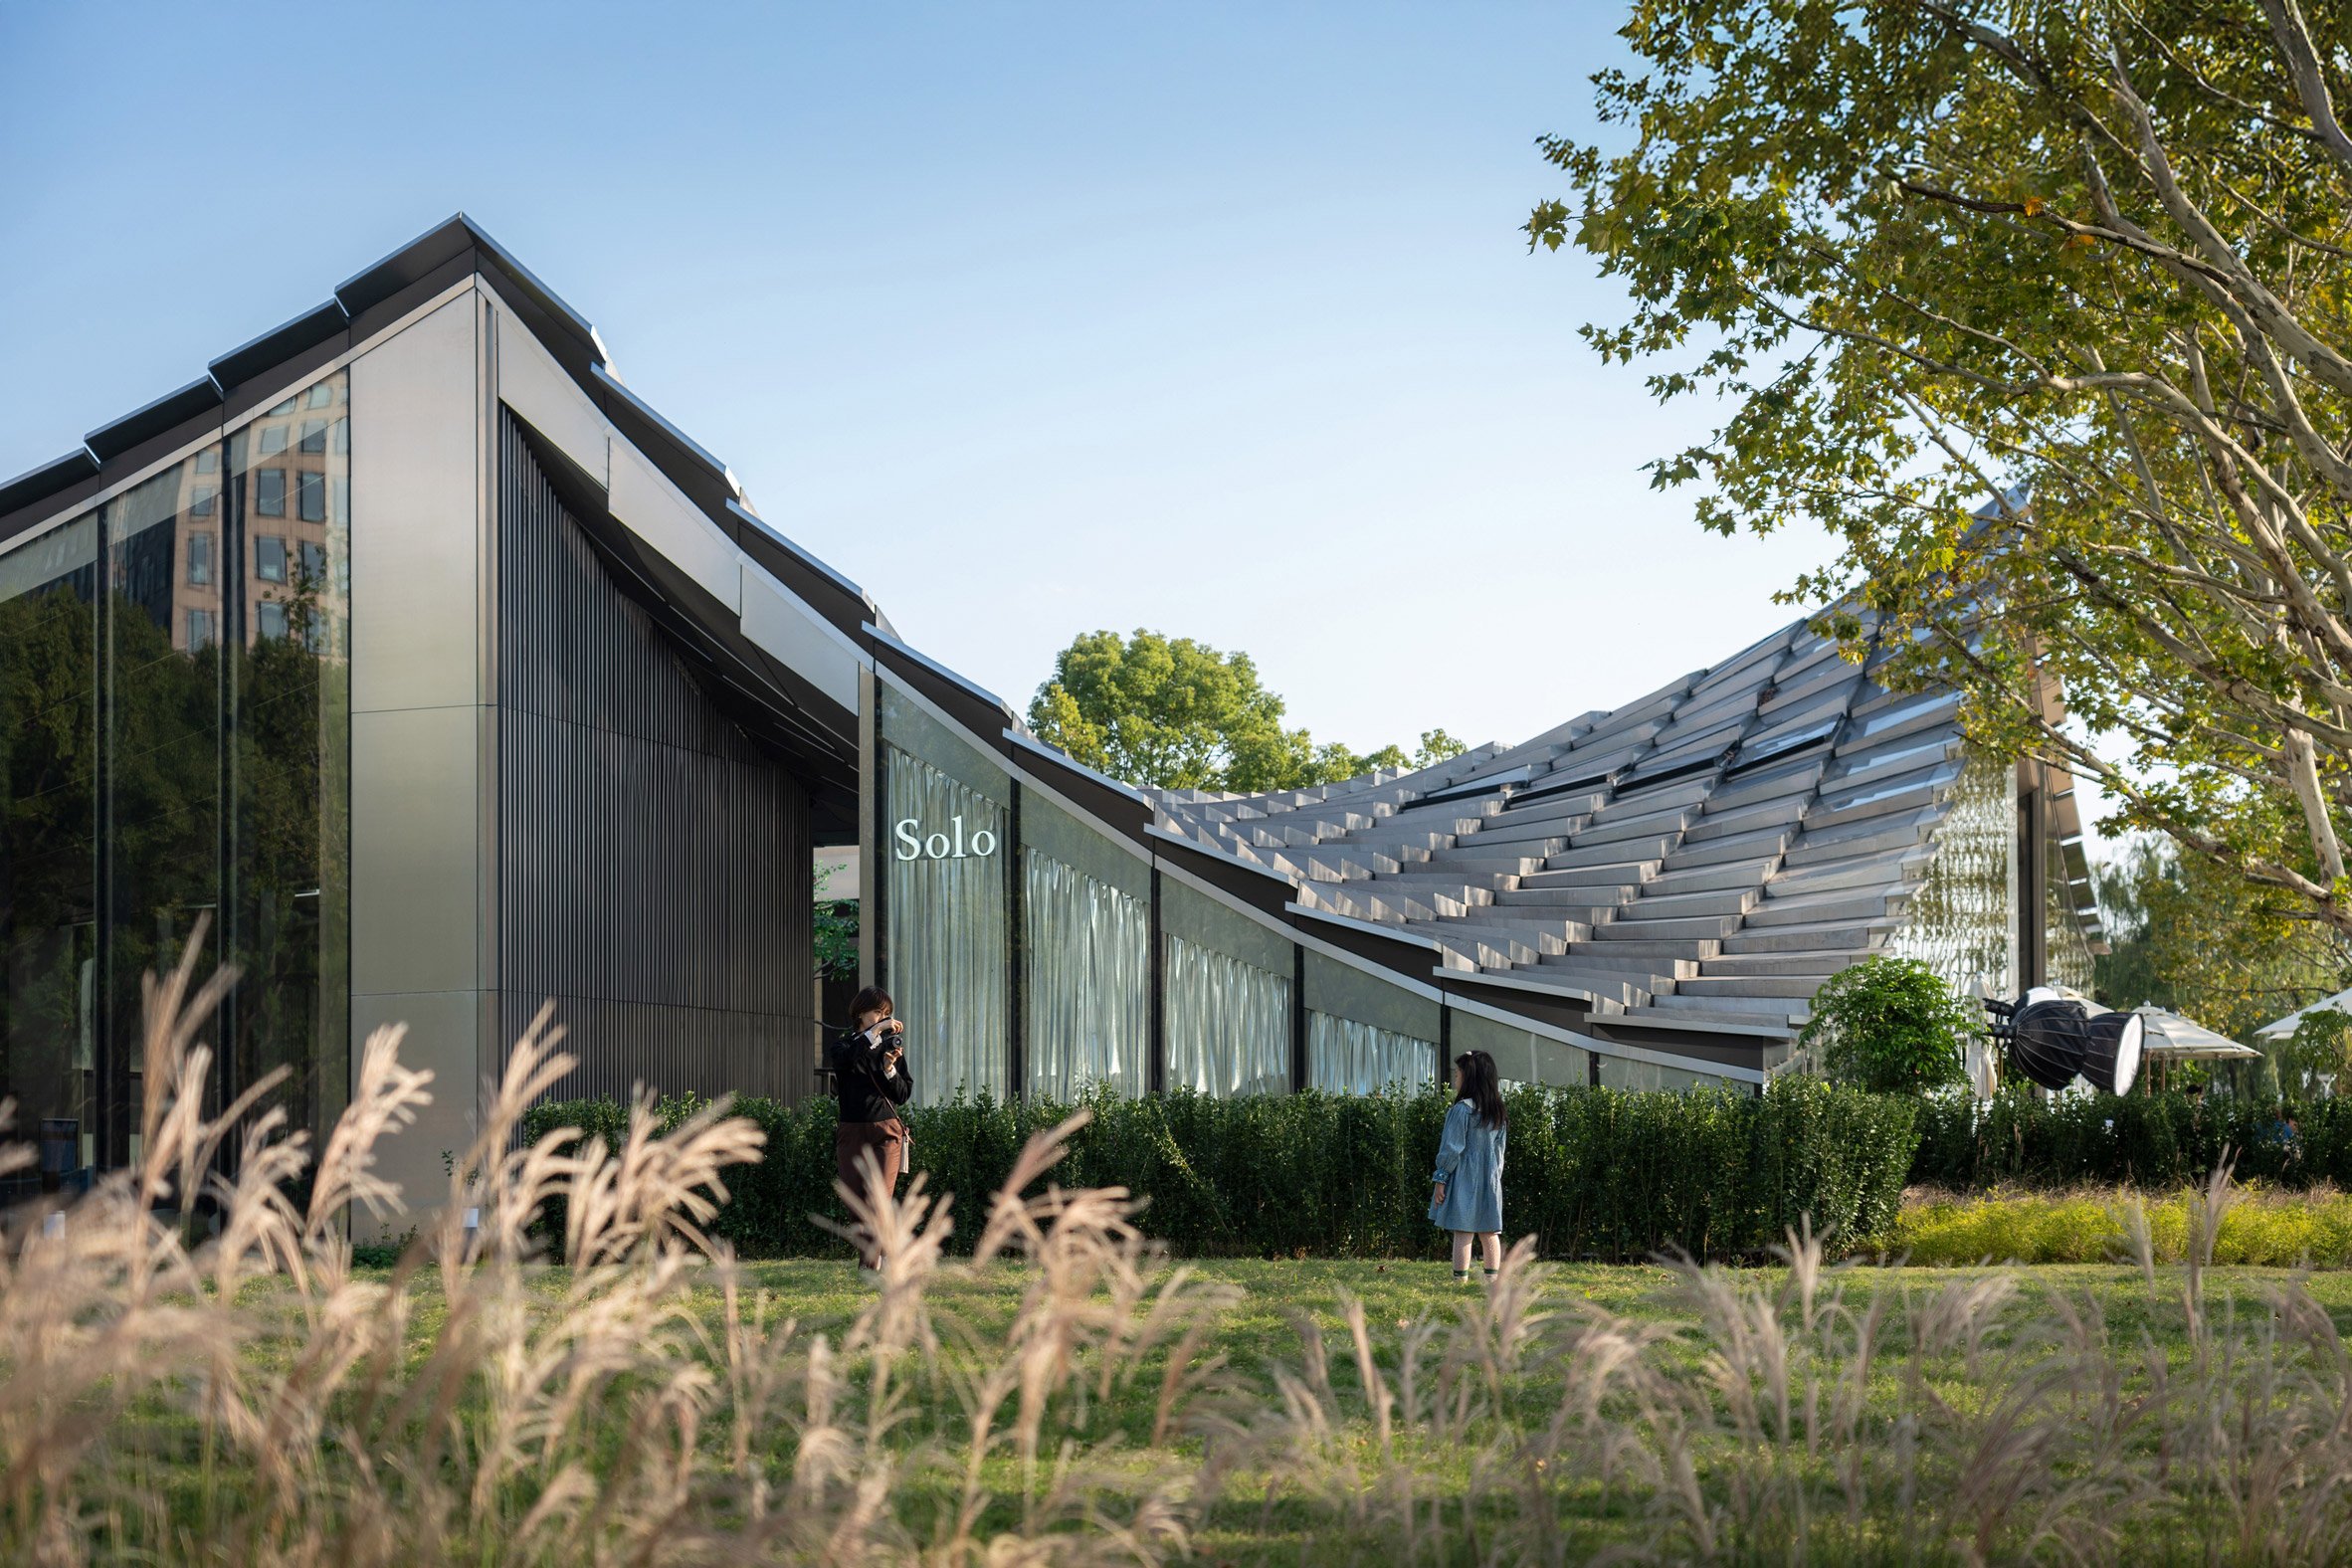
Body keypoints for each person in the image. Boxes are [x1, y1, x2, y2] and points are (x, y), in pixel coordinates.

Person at [827, 986, 913, 1274]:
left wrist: (889, 1069)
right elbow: (848, 1060)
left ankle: (870, 1264)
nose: (883, 1018)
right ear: (860, 1013)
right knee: (855, 1202)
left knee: (878, 1199)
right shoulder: (843, 1046)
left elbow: (902, 1094)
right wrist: (874, 1033)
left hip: (885, 1132)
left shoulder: (890, 1047)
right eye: (878, 1012)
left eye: (887, 1013)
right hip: (851, 1132)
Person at [1429, 1050, 1507, 1283]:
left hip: (1464, 1179)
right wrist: (1494, 1179)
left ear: (1470, 1078)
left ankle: (1459, 1281)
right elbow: (1499, 1153)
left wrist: (1440, 1179)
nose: (1455, 1078)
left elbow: (1451, 1149)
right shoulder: (1497, 1113)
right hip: (1490, 1180)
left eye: (1457, 1073)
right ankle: (1492, 1282)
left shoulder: (1462, 1110)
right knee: (1489, 1232)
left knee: (1463, 1231)